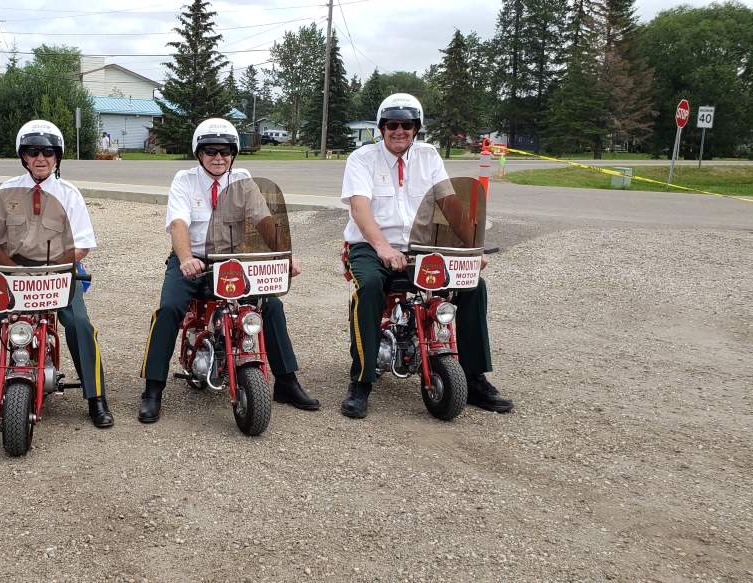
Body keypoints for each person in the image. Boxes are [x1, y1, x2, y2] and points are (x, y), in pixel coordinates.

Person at [339, 93, 513, 419]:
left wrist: (468, 251)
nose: (399, 131)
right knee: (371, 285)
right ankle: (361, 381)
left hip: (421, 245)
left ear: (417, 128)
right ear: (381, 127)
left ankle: (473, 377)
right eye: (392, 124)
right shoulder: (362, 159)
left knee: (474, 285)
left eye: (407, 125)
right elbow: (360, 210)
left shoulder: (429, 155)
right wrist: (383, 248)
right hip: (370, 246)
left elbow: (449, 204)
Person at [136, 118, 318, 423]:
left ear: (234, 153)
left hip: (234, 262)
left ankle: (286, 382)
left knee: (271, 305)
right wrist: (184, 260)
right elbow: (178, 224)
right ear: (199, 153)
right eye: (210, 150)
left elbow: (263, 220)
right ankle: (153, 389)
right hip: (195, 258)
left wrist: (285, 256)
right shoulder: (185, 180)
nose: (218, 157)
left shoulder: (243, 179)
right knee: (169, 308)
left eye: (225, 151)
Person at [0, 119, 114, 432]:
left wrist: (53, 267)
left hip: (58, 272)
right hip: (13, 274)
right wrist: (13, 267)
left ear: (58, 156)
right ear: (23, 156)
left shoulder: (69, 194)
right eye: (33, 151)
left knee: (79, 323)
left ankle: (96, 398)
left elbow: (83, 245)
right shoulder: (6, 191)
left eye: (48, 152)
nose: (41, 158)